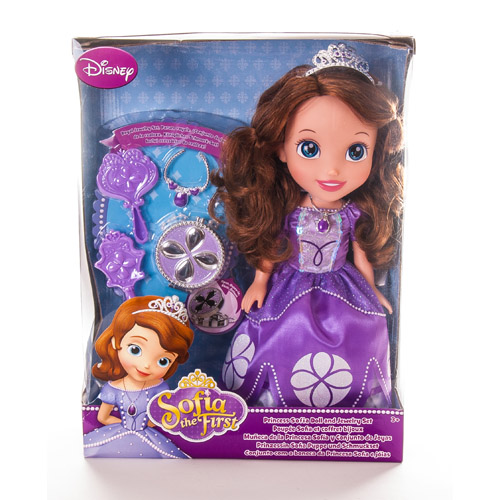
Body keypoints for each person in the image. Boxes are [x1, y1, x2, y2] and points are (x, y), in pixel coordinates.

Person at [210, 44, 403, 408]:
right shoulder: (287, 210)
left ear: (376, 151)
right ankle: (269, 402)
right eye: (310, 148)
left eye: (356, 151)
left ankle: (353, 403)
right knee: (278, 334)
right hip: (289, 285)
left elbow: (361, 254)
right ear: (281, 148)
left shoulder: (352, 213)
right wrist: (260, 281)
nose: (332, 170)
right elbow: (272, 245)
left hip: (343, 286)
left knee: (363, 330)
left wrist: (372, 291)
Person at [84, 295, 194, 458]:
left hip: (148, 437)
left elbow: (159, 417)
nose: (147, 365)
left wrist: (144, 426)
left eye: (163, 361)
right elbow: (103, 417)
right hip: (117, 434)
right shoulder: (112, 388)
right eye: (135, 350)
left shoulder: (159, 388)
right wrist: (127, 429)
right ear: (116, 341)